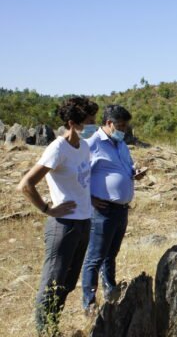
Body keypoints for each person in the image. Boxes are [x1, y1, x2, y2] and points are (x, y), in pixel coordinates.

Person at [17, 97, 93, 335]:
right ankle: (45, 331)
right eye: (88, 121)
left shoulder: (83, 146)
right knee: (52, 282)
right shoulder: (57, 148)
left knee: (68, 283)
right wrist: (47, 209)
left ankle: (53, 326)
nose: (93, 124)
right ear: (72, 123)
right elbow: (26, 184)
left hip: (83, 222)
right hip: (64, 224)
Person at [81, 105, 145, 313]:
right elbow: (78, 174)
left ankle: (111, 291)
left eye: (125, 126)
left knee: (111, 254)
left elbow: (127, 168)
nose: (124, 130)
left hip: (121, 209)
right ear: (109, 124)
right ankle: (89, 303)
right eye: (121, 126)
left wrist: (135, 172)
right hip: (103, 210)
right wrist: (89, 197)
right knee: (95, 257)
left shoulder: (121, 144)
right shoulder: (92, 143)